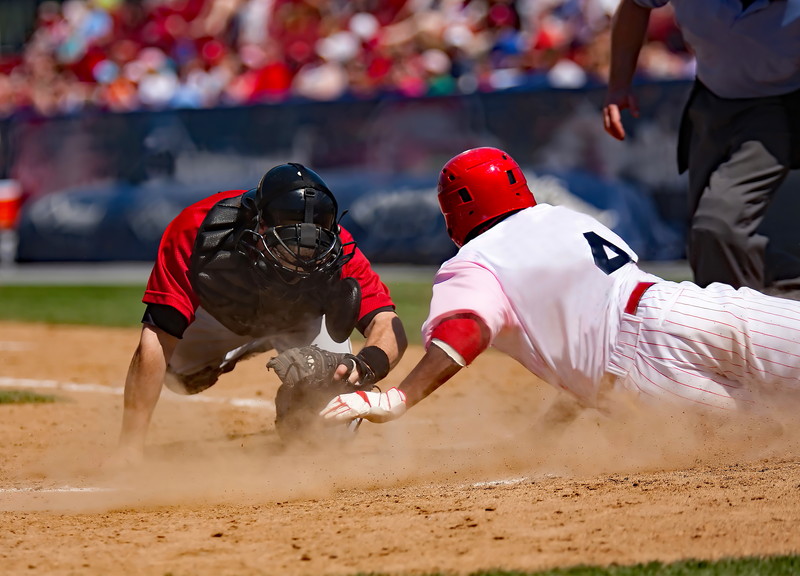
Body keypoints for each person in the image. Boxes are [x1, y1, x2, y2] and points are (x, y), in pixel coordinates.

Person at [320, 147, 800, 429]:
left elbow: (466, 329)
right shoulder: (566, 217)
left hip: (646, 375)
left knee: (764, 442)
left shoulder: (472, 261)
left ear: (455, 210)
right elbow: (589, 325)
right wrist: (551, 426)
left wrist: (399, 397)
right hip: (692, 305)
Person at [112, 162, 407, 466]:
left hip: (299, 321)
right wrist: (130, 447)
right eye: (289, 245)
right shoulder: (199, 230)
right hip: (220, 316)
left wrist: (364, 367)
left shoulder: (340, 247)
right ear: (258, 225)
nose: (301, 259)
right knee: (179, 376)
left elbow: (386, 322)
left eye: (311, 248)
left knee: (331, 434)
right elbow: (157, 338)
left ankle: (298, 406)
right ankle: (235, 351)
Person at [602, 0, 800, 297]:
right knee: (706, 240)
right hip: (710, 101)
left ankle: (751, 323)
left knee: (717, 223)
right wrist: (619, 85)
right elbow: (635, 5)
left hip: (778, 108)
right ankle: (735, 321)